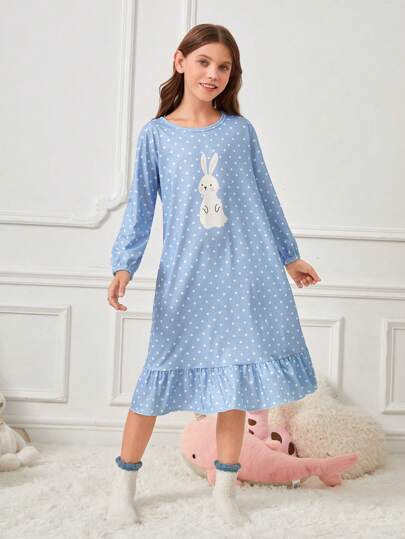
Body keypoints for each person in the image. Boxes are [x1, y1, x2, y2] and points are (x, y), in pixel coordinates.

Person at [106, 23, 321, 529]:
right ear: (180, 61)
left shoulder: (239, 131)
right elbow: (141, 208)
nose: (213, 74)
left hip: (245, 271)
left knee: (235, 386)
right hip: (187, 276)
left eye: (224, 67)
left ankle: (225, 490)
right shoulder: (156, 136)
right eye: (204, 62)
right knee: (154, 382)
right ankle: (123, 486)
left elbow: (265, 195)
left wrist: (289, 256)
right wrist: (123, 265)